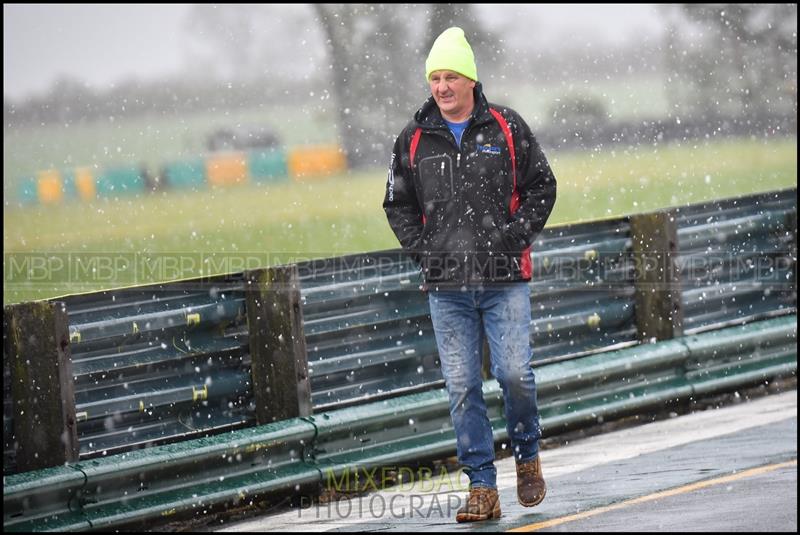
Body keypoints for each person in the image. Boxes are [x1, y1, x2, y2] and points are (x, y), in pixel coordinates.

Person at [383, 27, 557, 522]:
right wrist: (425, 251)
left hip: (505, 281)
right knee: (462, 388)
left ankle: (527, 457)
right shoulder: (412, 139)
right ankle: (482, 486)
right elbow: (396, 203)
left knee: (514, 375)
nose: (441, 86)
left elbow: (543, 186)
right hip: (447, 289)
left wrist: (513, 237)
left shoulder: (506, 126)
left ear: (471, 81)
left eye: (451, 76)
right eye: (435, 77)